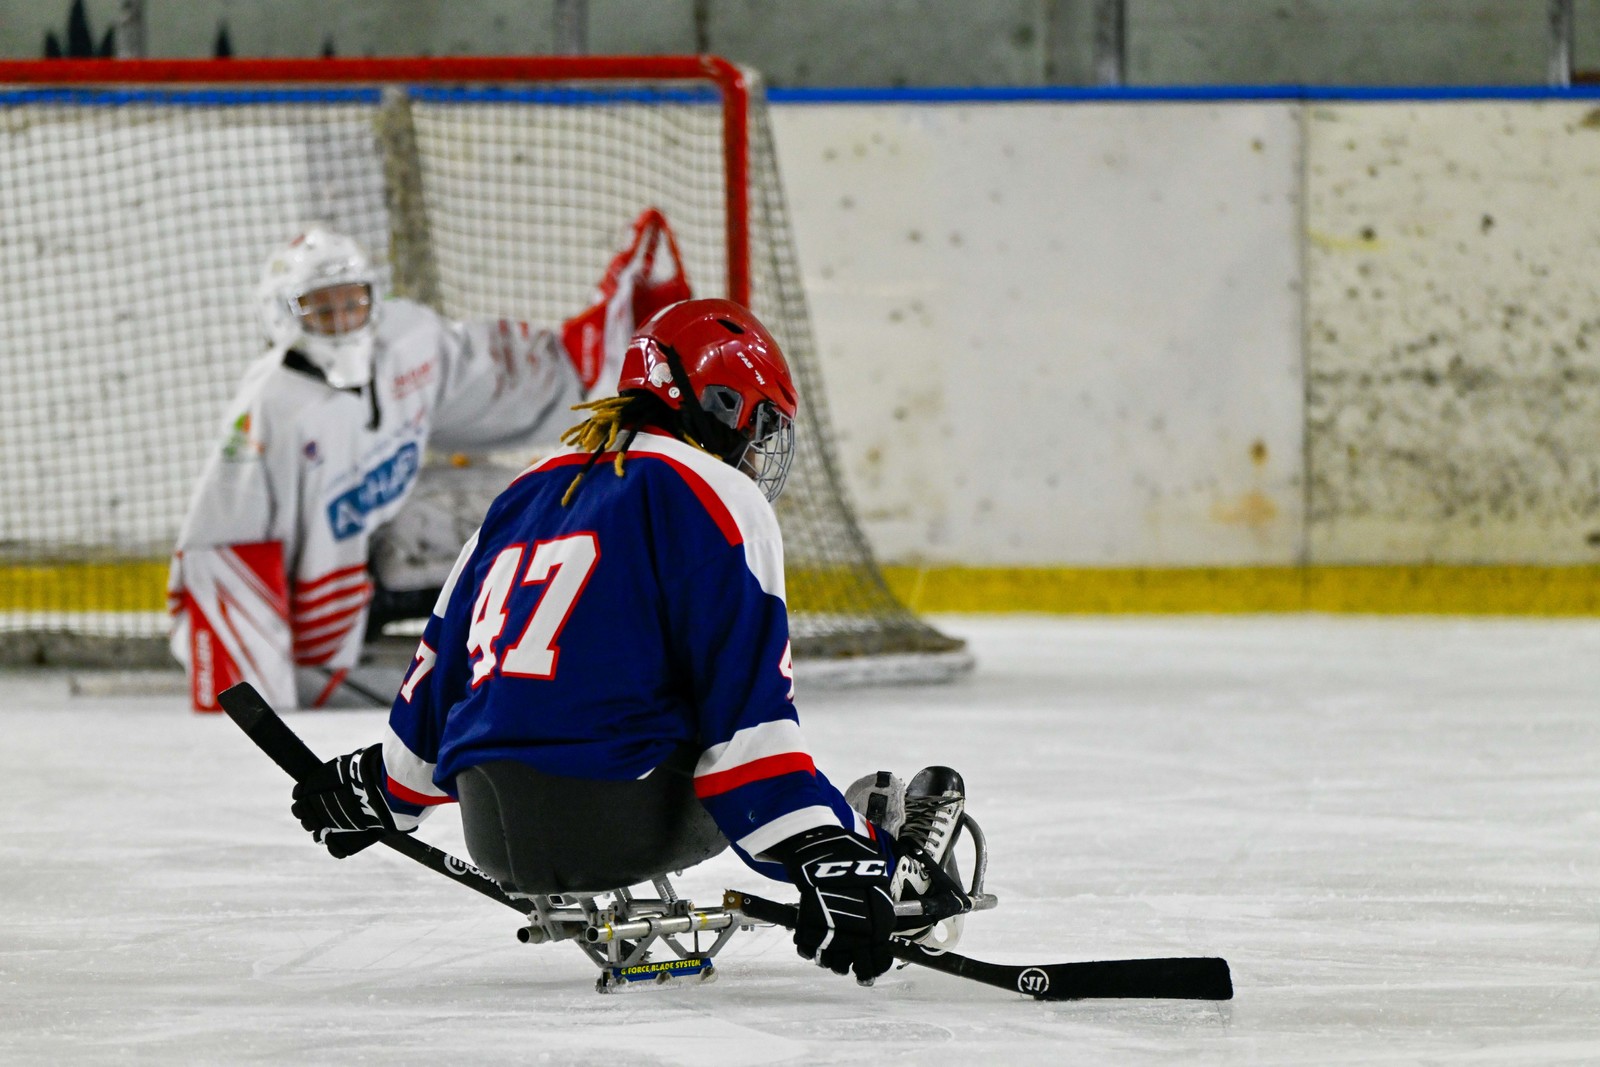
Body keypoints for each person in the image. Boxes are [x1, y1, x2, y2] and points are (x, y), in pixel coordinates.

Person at [285, 298, 971, 983]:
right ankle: (899, 870)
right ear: (723, 403)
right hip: (622, 812)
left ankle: (857, 840)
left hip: (493, 823)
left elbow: (438, 673)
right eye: (757, 425)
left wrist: (378, 785)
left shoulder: (519, 493)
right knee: (767, 771)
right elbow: (748, 735)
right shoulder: (719, 496)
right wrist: (829, 852)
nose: (757, 450)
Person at [168, 210, 689, 712]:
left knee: (536, 503)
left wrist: (603, 346)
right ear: (281, 315)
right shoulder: (269, 409)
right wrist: (248, 684)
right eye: (322, 310)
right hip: (318, 604)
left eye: (353, 303)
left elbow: (497, 381)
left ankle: (542, 647)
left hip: (384, 546)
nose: (343, 321)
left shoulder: (407, 341)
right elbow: (221, 547)